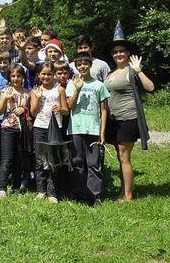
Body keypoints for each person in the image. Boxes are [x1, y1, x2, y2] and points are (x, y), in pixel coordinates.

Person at [103, 26, 154, 202]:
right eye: (115, 52)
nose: (118, 54)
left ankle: (128, 195)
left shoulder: (132, 70)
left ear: (128, 52)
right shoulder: (111, 72)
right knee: (120, 157)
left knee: (124, 157)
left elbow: (150, 88)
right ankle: (124, 191)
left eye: (122, 51)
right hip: (114, 121)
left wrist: (139, 70)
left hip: (128, 119)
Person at [66, 52, 110, 206]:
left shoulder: (99, 85)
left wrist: (102, 132)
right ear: (76, 67)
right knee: (77, 161)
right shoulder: (72, 84)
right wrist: (78, 89)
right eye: (79, 65)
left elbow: (103, 110)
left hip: (93, 129)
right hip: (76, 128)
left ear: (91, 65)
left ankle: (94, 195)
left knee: (94, 163)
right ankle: (78, 193)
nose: (82, 66)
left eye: (85, 63)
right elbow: (70, 106)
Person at [30, 62, 69, 203]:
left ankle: (52, 193)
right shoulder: (35, 91)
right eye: (43, 74)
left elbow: (66, 110)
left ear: (53, 75)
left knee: (54, 160)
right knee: (40, 160)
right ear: (38, 75)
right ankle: (41, 190)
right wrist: (39, 98)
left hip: (55, 128)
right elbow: (33, 113)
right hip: (40, 127)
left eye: (49, 74)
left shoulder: (59, 90)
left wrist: (60, 108)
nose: (46, 76)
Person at [0, 64, 31, 198]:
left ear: (23, 77)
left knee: (19, 158)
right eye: (13, 76)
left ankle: (16, 187)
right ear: (10, 77)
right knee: (7, 158)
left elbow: (32, 111)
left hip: (22, 128)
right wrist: (5, 99)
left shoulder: (28, 93)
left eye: (18, 76)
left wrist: (24, 109)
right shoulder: (4, 91)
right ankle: (2, 188)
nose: (16, 78)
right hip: (8, 127)